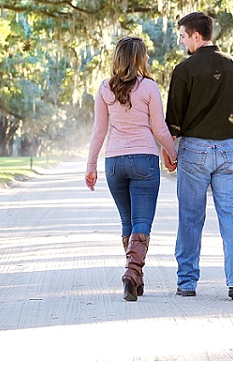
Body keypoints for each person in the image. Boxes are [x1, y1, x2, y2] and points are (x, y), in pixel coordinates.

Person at [165, 12, 233, 300]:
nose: (181, 42)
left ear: (196, 35)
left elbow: (174, 123)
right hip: (229, 148)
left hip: (194, 150)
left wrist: (170, 154)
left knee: (190, 217)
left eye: (182, 36)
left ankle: (187, 283)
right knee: (231, 217)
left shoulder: (184, 70)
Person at [86, 36, 178, 302]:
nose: (148, 59)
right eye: (145, 55)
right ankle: (131, 272)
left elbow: (99, 131)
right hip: (144, 160)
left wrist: (91, 165)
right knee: (141, 222)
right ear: (139, 59)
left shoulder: (105, 88)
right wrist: (173, 155)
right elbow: (160, 129)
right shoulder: (149, 87)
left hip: (114, 163)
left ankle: (135, 278)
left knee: (128, 222)